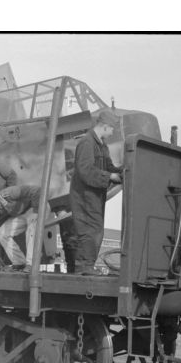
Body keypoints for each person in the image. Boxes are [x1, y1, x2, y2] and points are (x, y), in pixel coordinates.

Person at [69, 109, 123, 275]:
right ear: (105, 126)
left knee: (96, 230)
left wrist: (122, 171)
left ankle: (86, 267)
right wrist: (110, 176)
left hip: (94, 195)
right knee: (89, 230)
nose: (113, 132)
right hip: (84, 195)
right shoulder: (87, 143)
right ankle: (84, 268)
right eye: (113, 129)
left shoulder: (101, 145)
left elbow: (108, 167)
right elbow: (85, 170)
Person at [0, 184, 45, 272]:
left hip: (37, 208)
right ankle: (19, 263)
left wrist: (36, 211)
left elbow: (36, 190)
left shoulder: (10, 193)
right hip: (23, 215)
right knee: (1, 233)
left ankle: (32, 264)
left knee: (31, 226)